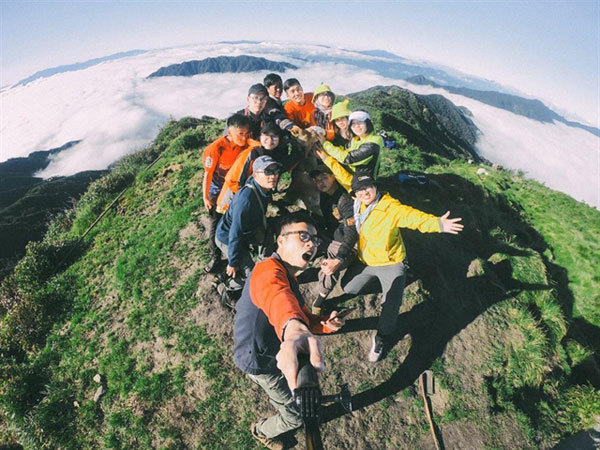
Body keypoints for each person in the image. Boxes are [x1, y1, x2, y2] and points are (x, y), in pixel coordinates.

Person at [233, 211, 345, 449]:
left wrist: (325, 323)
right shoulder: (267, 270)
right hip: (260, 361)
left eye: (315, 240)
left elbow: (300, 312)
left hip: (279, 349)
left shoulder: (289, 276)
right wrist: (293, 329)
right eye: (303, 236)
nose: (312, 244)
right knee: (294, 416)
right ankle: (262, 430)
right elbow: (277, 297)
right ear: (280, 240)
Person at [335, 168, 463, 362]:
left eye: (367, 187)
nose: (363, 192)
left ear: (375, 186)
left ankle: (381, 338)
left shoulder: (390, 207)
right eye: (358, 190)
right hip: (367, 261)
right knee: (348, 288)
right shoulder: (358, 203)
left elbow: (413, 217)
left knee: (391, 306)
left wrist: (438, 224)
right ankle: (389, 285)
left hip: (391, 263)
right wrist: (323, 153)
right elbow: (345, 177)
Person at [215, 155, 282, 297]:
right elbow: (235, 234)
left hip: (247, 230)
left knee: (268, 238)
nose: (273, 176)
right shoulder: (245, 201)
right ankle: (227, 287)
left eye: (276, 171)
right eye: (268, 172)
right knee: (251, 276)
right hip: (228, 238)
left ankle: (265, 264)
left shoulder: (262, 188)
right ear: (256, 175)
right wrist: (233, 262)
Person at [202, 114, 259, 273]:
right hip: (216, 189)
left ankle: (241, 246)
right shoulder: (215, 148)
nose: (244, 137)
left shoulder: (244, 143)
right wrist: (206, 197)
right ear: (229, 132)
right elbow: (207, 174)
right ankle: (215, 257)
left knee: (236, 219)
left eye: (246, 133)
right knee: (216, 223)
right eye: (240, 134)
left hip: (234, 188)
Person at [216, 122, 302, 214]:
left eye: (274, 136)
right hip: (231, 202)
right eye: (266, 136)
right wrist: (244, 198)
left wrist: (299, 147)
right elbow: (232, 180)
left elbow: (284, 166)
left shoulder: (273, 154)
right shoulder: (250, 153)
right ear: (260, 137)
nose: (270, 140)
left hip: (253, 200)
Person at [309, 165, 357, 314]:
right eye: (317, 181)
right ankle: (295, 274)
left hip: (347, 243)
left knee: (331, 267)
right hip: (331, 235)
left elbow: (352, 232)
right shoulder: (324, 195)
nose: (320, 183)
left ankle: (318, 303)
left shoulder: (344, 199)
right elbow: (328, 220)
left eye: (324, 177)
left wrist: (340, 257)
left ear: (333, 176)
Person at [321, 109, 383, 178]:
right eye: (353, 124)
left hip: (364, 181)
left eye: (360, 122)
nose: (356, 126)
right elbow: (343, 150)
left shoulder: (374, 141)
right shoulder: (356, 139)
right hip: (354, 174)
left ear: (368, 123)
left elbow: (348, 158)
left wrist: (325, 144)